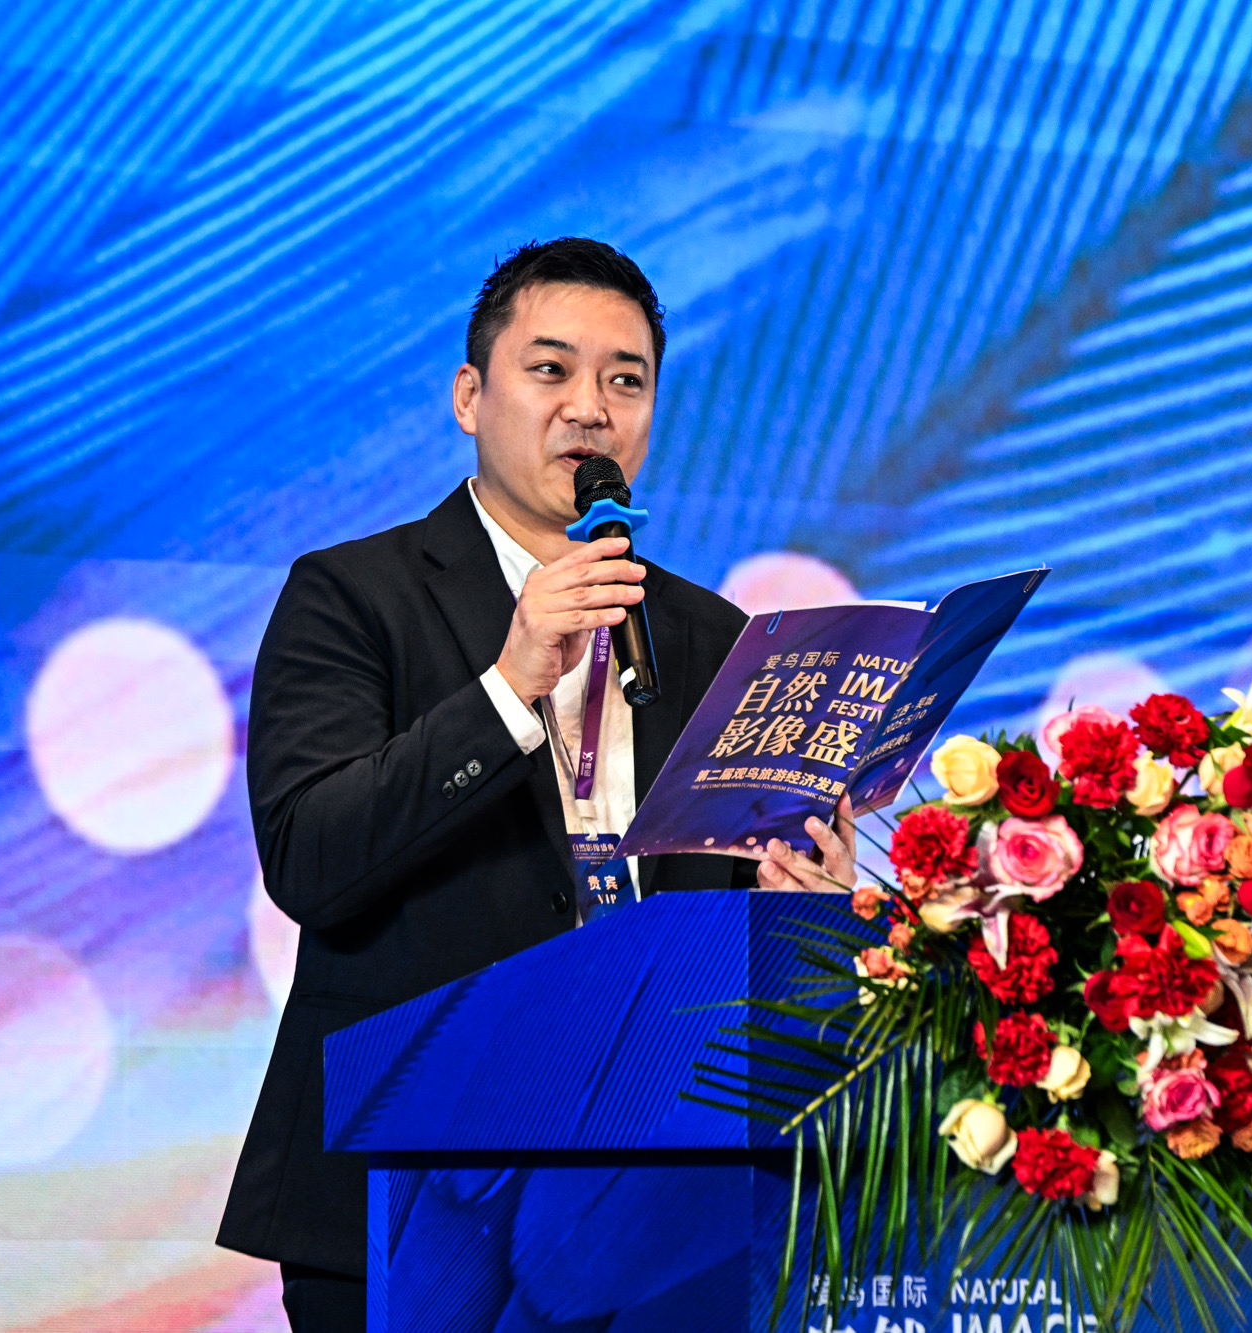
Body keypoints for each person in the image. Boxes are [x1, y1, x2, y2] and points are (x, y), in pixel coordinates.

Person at [215, 238, 858, 1333]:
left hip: (643, 1209)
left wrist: (801, 908)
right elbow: (312, 859)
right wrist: (511, 685)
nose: (590, 409)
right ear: (470, 397)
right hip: (405, 1191)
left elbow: (714, 949)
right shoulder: (352, 596)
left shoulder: (709, 636)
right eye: (550, 369)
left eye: (625, 380)